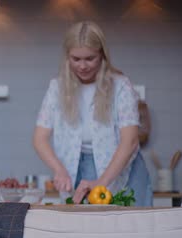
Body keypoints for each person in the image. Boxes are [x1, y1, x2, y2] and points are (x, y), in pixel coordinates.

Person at [32, 21, 152, 206]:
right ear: (67, 57)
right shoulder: (56, 88)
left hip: (124, 169)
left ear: (102, 55)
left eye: (90, 58)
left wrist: (101, 183)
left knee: (132, 228)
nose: (82, 66)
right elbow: (39, 139)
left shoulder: (121, 86)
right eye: (76, 59)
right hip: (77, 167)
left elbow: (130, 141)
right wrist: (59, 170)